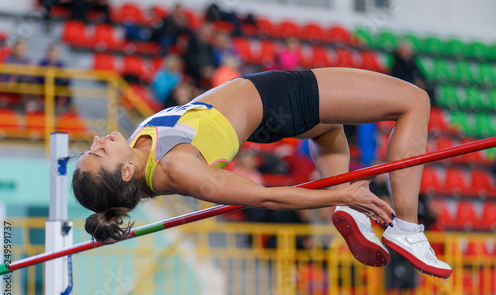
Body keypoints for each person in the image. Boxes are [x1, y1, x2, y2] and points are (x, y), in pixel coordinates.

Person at [72, 68, 452, 278]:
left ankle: (352, 215)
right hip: (278, 100)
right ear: (124, 173)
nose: (97, 140)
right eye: (97, 153)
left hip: (267, 108)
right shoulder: (178, 169)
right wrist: (340, 195)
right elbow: (266, 195)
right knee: (414, 101)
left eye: (91, 148)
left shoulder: (140, 149)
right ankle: (407, 227)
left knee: (328, 127)